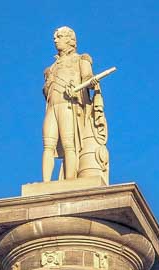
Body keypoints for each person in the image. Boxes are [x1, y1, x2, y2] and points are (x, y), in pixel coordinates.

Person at [41, 27, 108, 184]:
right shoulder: (51, 67)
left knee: (69, 144)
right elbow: (46, 92)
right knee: (48, 145)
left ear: (70, 40)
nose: (56, 40)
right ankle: (45, 183)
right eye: (55, 37)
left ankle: (69, 181)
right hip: (52, 108)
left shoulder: (81, 59)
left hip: (69, 106)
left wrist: (90, 83)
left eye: (60, 36)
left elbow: (88, 78)